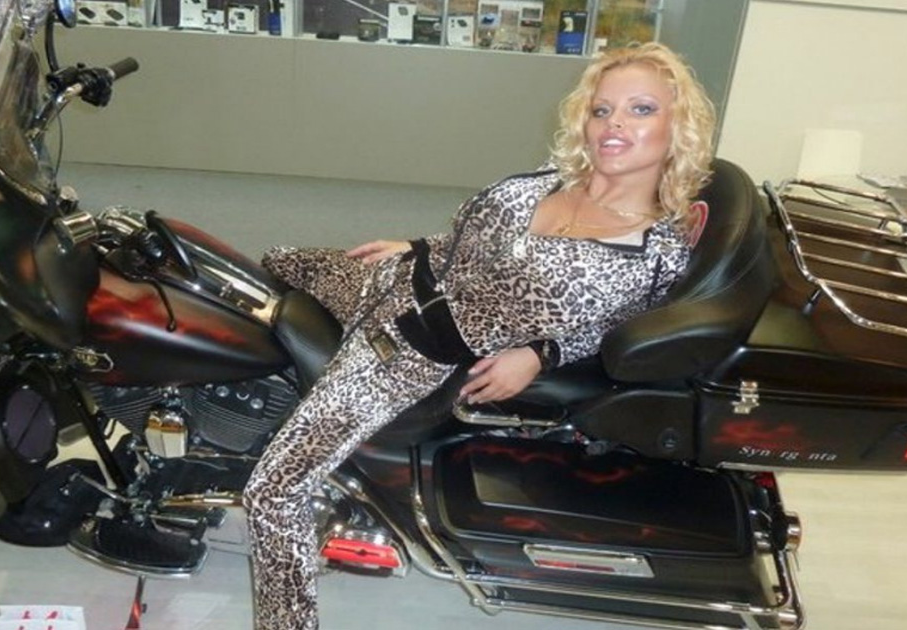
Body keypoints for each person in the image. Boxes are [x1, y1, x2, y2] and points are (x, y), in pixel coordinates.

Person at [245, 41, 717, 630]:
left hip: (401, 355)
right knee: (269, 262)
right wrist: (416, 247)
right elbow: (476, 242)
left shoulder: (656, 251)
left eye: (640, 109)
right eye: (602, 110)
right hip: (388, 280)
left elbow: (620, 327)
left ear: (678, 128)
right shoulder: (552, 179)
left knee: (274, 492)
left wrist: (542, 352)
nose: (614, 124)